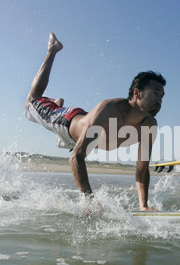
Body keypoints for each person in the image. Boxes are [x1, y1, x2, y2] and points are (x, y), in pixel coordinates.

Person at [25, 32, 166, 211]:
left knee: (84, 120)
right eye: (155, 93)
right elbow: (76, 157)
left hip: (85, 121)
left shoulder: (149, 125)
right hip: (65, 123)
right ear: (137, 93)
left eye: (162, 96)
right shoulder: (109, 109)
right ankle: (52, 50)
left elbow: (142, 169)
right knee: (31, 101)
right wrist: (90, 201)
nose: (160, 100)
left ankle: (57, 103)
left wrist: (143, 206)